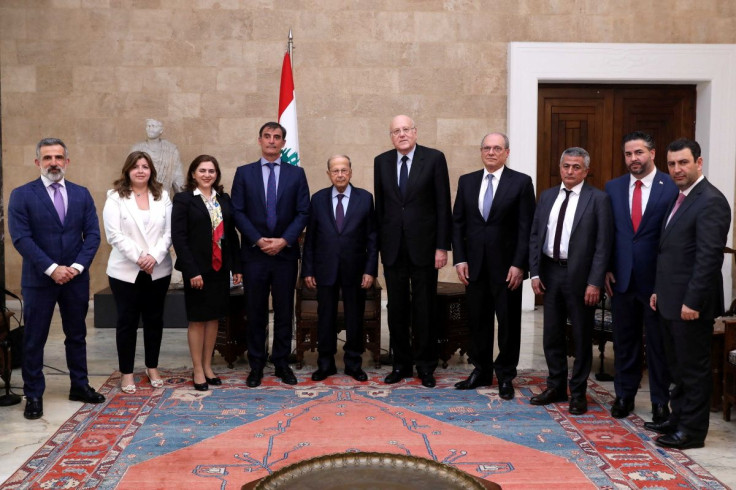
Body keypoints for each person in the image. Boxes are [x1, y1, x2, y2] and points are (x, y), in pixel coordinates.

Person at [8, 138, 104, 420]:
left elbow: (93, 236)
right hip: (39, 279)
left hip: (75, 279)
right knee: (34, 338)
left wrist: (74, 267)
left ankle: (80, 385)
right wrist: (52, 268)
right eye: (47, 157)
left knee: (77, 335)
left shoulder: (82, 194)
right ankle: (34, 393)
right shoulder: (22, 195)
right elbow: (21, 238)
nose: (53, 162)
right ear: (38, 162)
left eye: (58, 157)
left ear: (67, 162)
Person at [645, 138, 731, 449]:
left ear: (699, 162)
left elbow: (708, 258)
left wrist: (692, 301)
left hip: (691, 305)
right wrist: (658, 290)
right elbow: (669, 251)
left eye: (683, 162)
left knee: (693, 369)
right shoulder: (679, 197)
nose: (677, 169)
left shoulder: (711, 201)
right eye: (672, 164)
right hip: (670, 299)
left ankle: (692, 432)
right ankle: (677, 417)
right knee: (677, 366)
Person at [528, 147, 612, 415]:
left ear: (586, 171)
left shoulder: (598, 199)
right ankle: (555, 386)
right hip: (550, 273)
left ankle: (578, 393)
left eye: (576, 167)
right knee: (551, 334)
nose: (570, 171)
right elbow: (535, 235)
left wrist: (595, 282)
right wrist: (536, 272)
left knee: (580, 335)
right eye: (566, 166)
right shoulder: (547, 196)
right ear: (560, 167)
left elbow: (603, 245)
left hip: (581, 278)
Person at [452, 133, 535, 398]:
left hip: (507, 268)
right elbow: (459, 223)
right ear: (481, 151)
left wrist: (519, 264)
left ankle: (506, 375)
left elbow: (527, 228)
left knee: (508, 323)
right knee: (478, 320)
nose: (491, 152)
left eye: (497, 148)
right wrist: (460, 258)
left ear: (506, 153)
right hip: (474, 266)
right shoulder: (467, 181)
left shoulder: (521, 183)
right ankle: (481, 370)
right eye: (487, 148)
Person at [374, 115, 452, 388]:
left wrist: (442, 246)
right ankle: (401, 364)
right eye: (396, 131)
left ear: (415, 132)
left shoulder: (433, 158)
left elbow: (444, 205)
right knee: (396, 309)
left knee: (424, 309)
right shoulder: (381, 162)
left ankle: (426, 366)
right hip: (393, 249)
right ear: (391, 136)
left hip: (426, 248)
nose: (402, 134)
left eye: (406, 129)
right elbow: (381, 208)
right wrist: (381, 247)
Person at [604, 132, 678, 422]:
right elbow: (609, 233)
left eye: (639, 153)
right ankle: (624, 395)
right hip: (622, 280)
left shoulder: (670, 187)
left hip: (656, 283)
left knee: (658, 345)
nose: (633, 159)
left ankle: (661, 402)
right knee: (624, 341)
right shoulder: (613, 187)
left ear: (652, 153)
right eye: (628, 154)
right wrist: (608, 267)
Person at [231, 122, 310, 387]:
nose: (272, 141)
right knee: (255, 311)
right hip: (254, 254)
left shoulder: (296, 174)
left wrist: (284, 240)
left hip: (285, 255)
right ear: (259, 140)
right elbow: (237, 212)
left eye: (277, 137)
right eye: (267, 136)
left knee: (285, 311)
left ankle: (281, 363)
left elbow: (303, 213)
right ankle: (256, 365)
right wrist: (258, 239)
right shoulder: (244, 173)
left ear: (283, 143)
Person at [302, 155, 378, 382]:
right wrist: (308, 270)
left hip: (356, 270)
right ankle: (325, 364)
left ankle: (354, 363)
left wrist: (370, 270)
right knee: (325, 317)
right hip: (325, 269)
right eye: (335, 171)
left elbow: (372, 238)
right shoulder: (318, 199)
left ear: (351, 172)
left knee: (355, 317)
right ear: (328, 174)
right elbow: (311, 239)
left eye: (344, 170)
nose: (340, 174)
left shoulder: (365, 198)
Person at [103, 151, 174, 394]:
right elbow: (114, 234)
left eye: (145, 166)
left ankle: (152, 367)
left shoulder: (162, 195)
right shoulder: (115, 197)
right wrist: (140, 258)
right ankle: (127, 373)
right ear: (128, 170)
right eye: (136, 166)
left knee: (155, 320)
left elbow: (169, 232)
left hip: (158, 269)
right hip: (125, 271)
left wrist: (153, 256)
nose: (141, 170)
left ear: (151, 170)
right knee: (127, 322)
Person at [172, 155, 242, 391]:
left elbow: (231, 236)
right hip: (197, 271)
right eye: (202, 170)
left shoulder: (223, 198)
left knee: (214, 318)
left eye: (211, 171)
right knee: (198, 320)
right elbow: (179, 239)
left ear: (217, 174)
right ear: (193, 173)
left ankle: (208, 365)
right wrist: (191, 270)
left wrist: (237, 267)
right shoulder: (184, 200)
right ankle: (198, 369)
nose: (207, 175)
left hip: (220, 269)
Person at [131, 119, 185, 198]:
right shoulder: (136, 149)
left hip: (164, 197)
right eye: (148, 126)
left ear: (161, 130)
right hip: (139, 197)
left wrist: (182, 198)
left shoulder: (171, 150)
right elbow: (129, 173)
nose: (150, 129)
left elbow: (178, 176)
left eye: (154, 126)